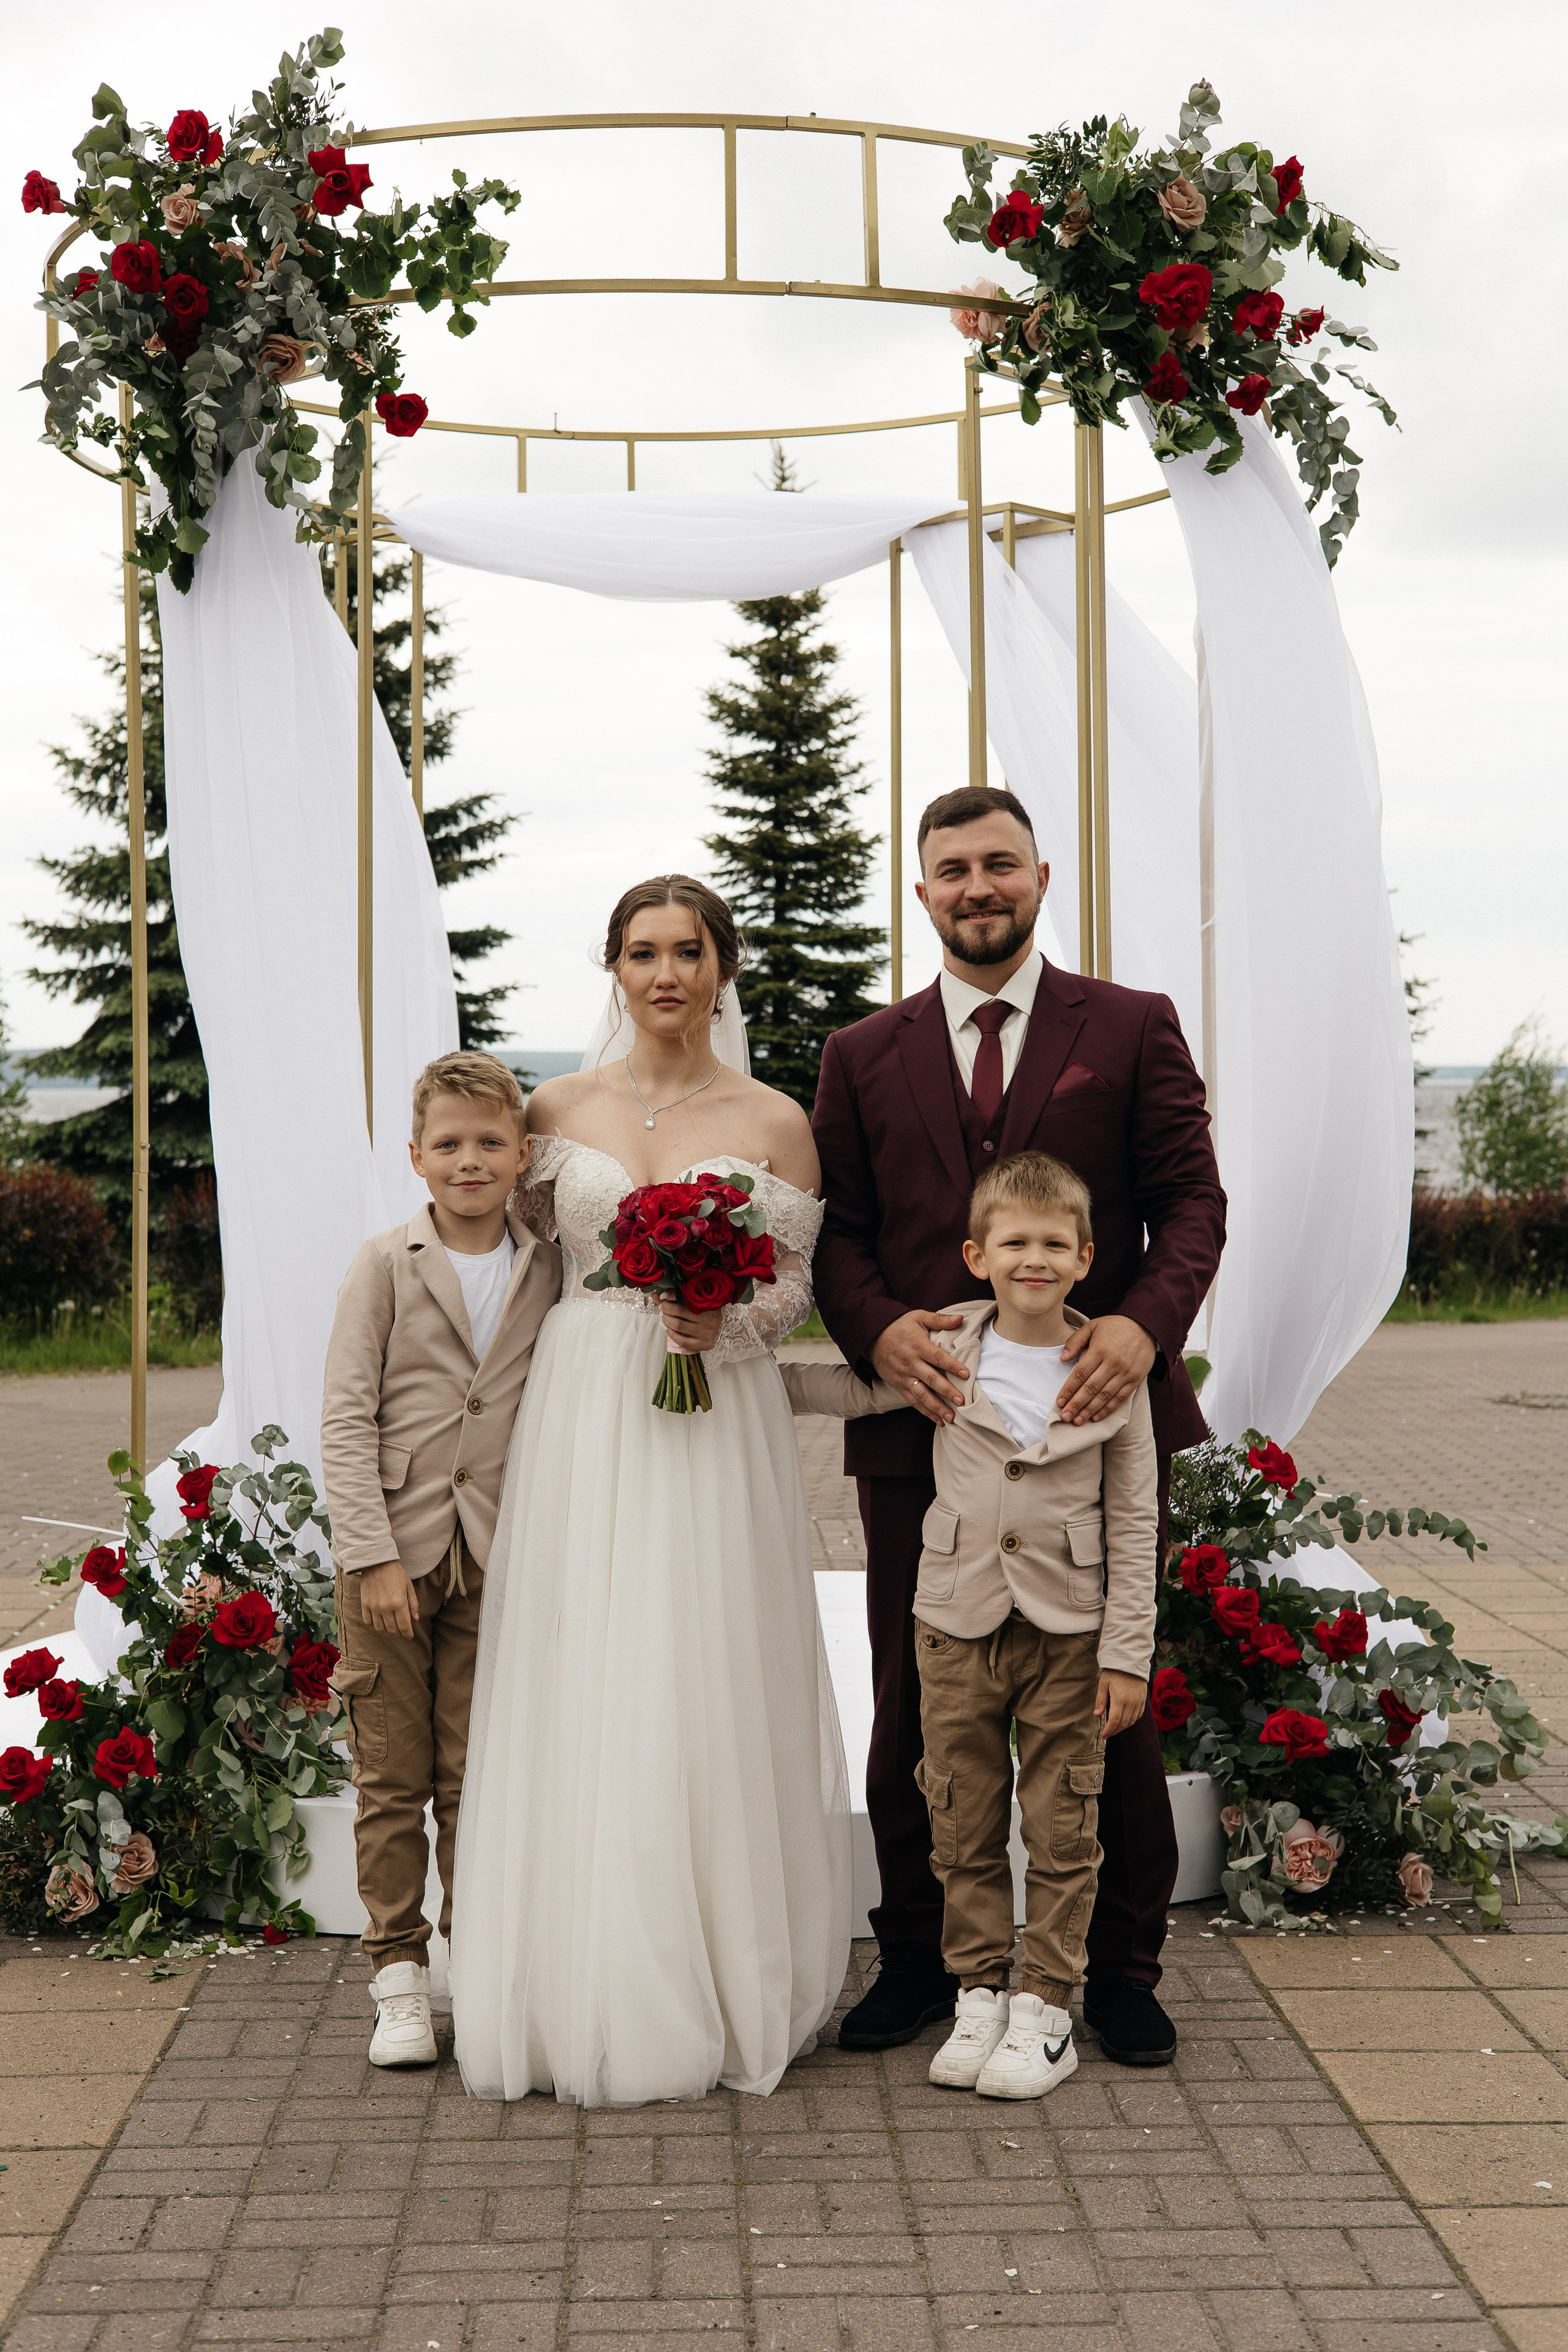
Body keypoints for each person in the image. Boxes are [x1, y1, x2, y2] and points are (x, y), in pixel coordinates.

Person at [812, 785, 1225, 2066]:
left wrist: (1142, 1326)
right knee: (910, 1705)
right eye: (952, 869)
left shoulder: (1131, 1025)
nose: (976, 886)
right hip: (919, 1432)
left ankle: (1117, 1968)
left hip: (1093, 1421)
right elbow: (837, 1234)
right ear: (919, 891)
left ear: (1039, 878)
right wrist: (878, 1330)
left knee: (1110, 1700)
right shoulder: (860, 1055)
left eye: (999, 864)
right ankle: (927, 1957)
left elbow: (1189, 1201)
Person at [450, 875, 851, 2108]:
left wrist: (726, 1308)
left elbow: (792, 1286)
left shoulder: (776, 1117)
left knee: (702, 1659)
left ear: (722, 966)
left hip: (710, 1401)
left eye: (688, 951)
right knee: (587, 1661)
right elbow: (524, 1247)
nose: (665, 974)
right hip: (584, 1405)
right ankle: (569, 1971)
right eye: (641, 952)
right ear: (613, 969)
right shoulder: (554, 1106)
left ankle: (720, 1972)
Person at [785, 1150, 1158, 2099]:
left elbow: (1137, 1516)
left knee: (1064, 1822)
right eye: (1015, 1243)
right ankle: (980, 1988)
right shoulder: (949, 1344)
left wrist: (1127, 1655)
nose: (1034, 1259)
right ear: (977, 1254)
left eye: (1053, 1245)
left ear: (1084, 1257)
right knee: (961, 1816)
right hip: (955, 1621)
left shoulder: (1111, 1368)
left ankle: (1045, 2008)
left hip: (1069, 1632)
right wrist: (745, 1372)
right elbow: (857, 1386)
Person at [320, 1050, 563, 2068]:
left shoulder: (547, 1265)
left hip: (495, 1557)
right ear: (418, 1157)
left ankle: (478, 1965)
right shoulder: (386, 1262)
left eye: (491, 1143)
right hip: (394, 1559)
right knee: (391, 1778)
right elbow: (345, 1414)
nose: (471, 1161)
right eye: (450, 1145)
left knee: (476, 1778)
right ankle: (397, 1977)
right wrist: (370, 1554)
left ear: (523, 1156)